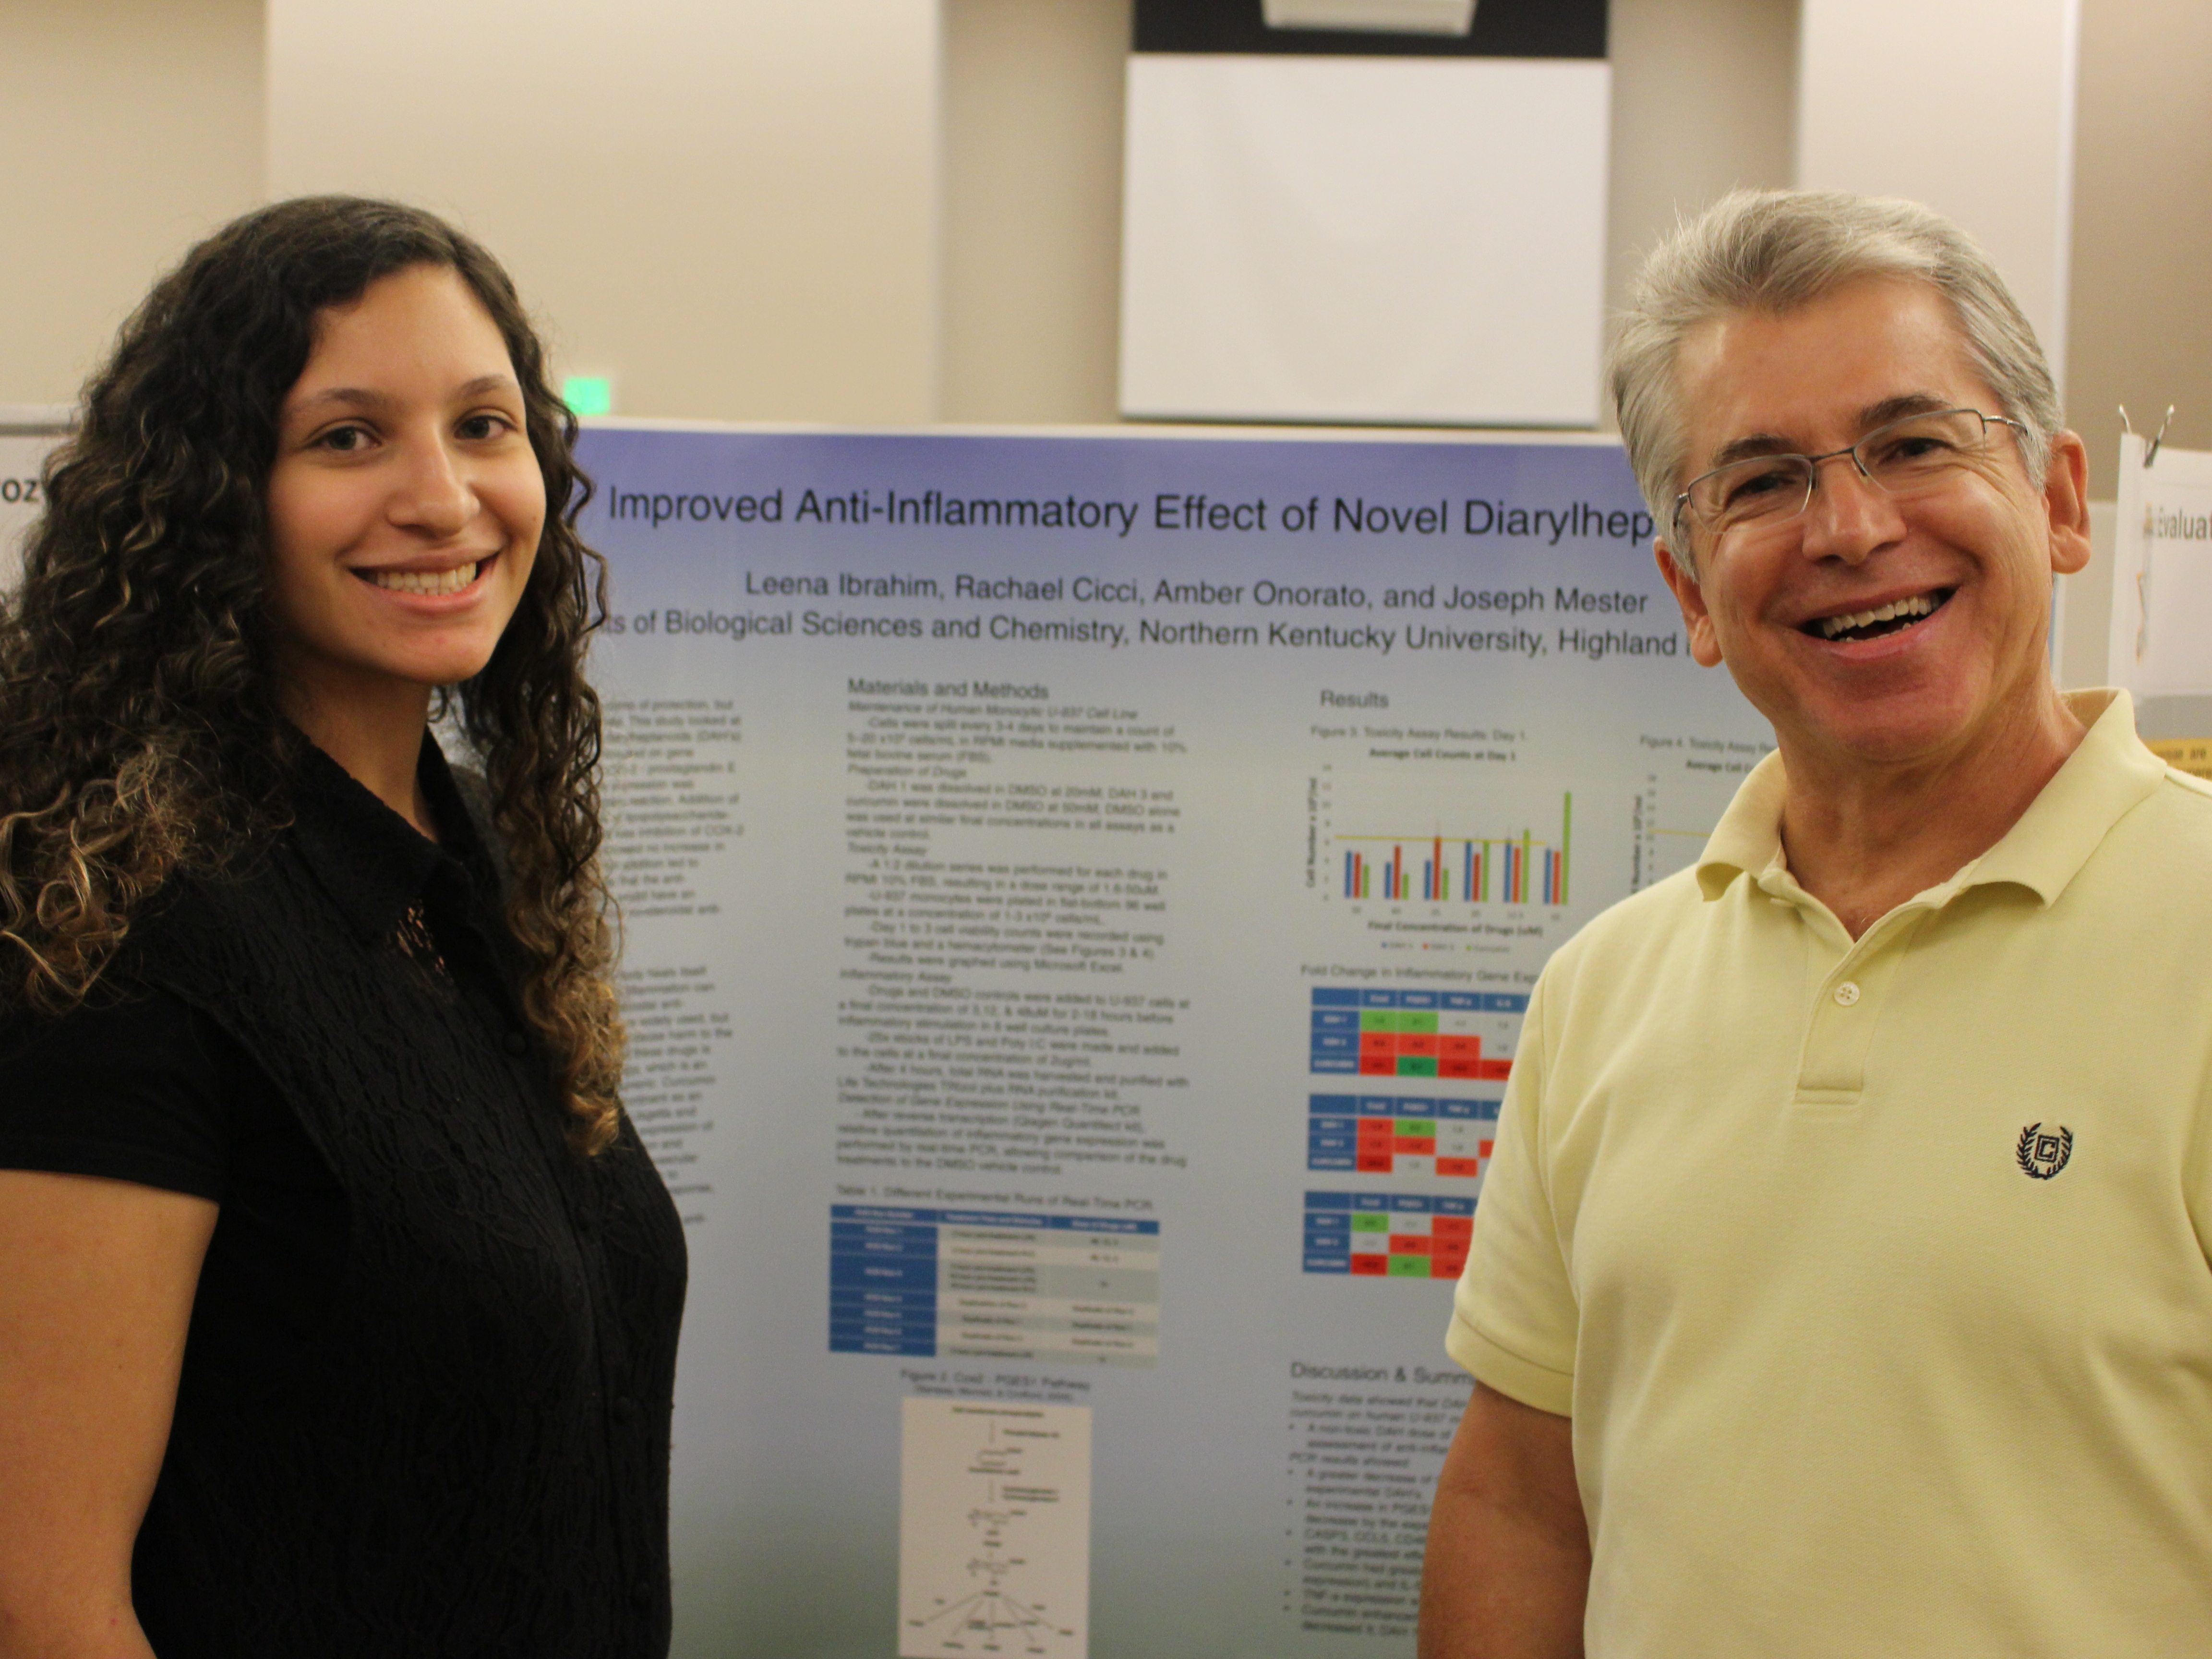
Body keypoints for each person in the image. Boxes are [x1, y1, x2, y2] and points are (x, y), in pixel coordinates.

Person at [1419, 189, 2212, 1657]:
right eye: (1762, 482)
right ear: (1691, 591)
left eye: (1914, 445)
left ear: (2058, 499)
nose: (1849, 529)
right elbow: (1525, 1508)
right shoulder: (1604, 991)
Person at [0, 198, 686, 1658]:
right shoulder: (121, 930)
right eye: (348, 437)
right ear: (209, 498)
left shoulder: (480, 852)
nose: (443, 498)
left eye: (485, 426)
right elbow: (41, 1600)